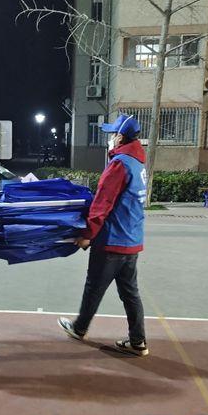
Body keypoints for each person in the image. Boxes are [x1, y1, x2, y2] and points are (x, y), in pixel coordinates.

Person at [57, 113, 149, 356]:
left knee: (94, 286)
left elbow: (103, 202)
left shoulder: (119, 164)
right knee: (130, 293)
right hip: (131, 240)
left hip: (112, 240)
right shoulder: (137, 163)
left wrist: (88, 234)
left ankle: (79, 328)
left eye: (113, 134)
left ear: (120, 137)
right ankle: (138, 341)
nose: (110, 139)